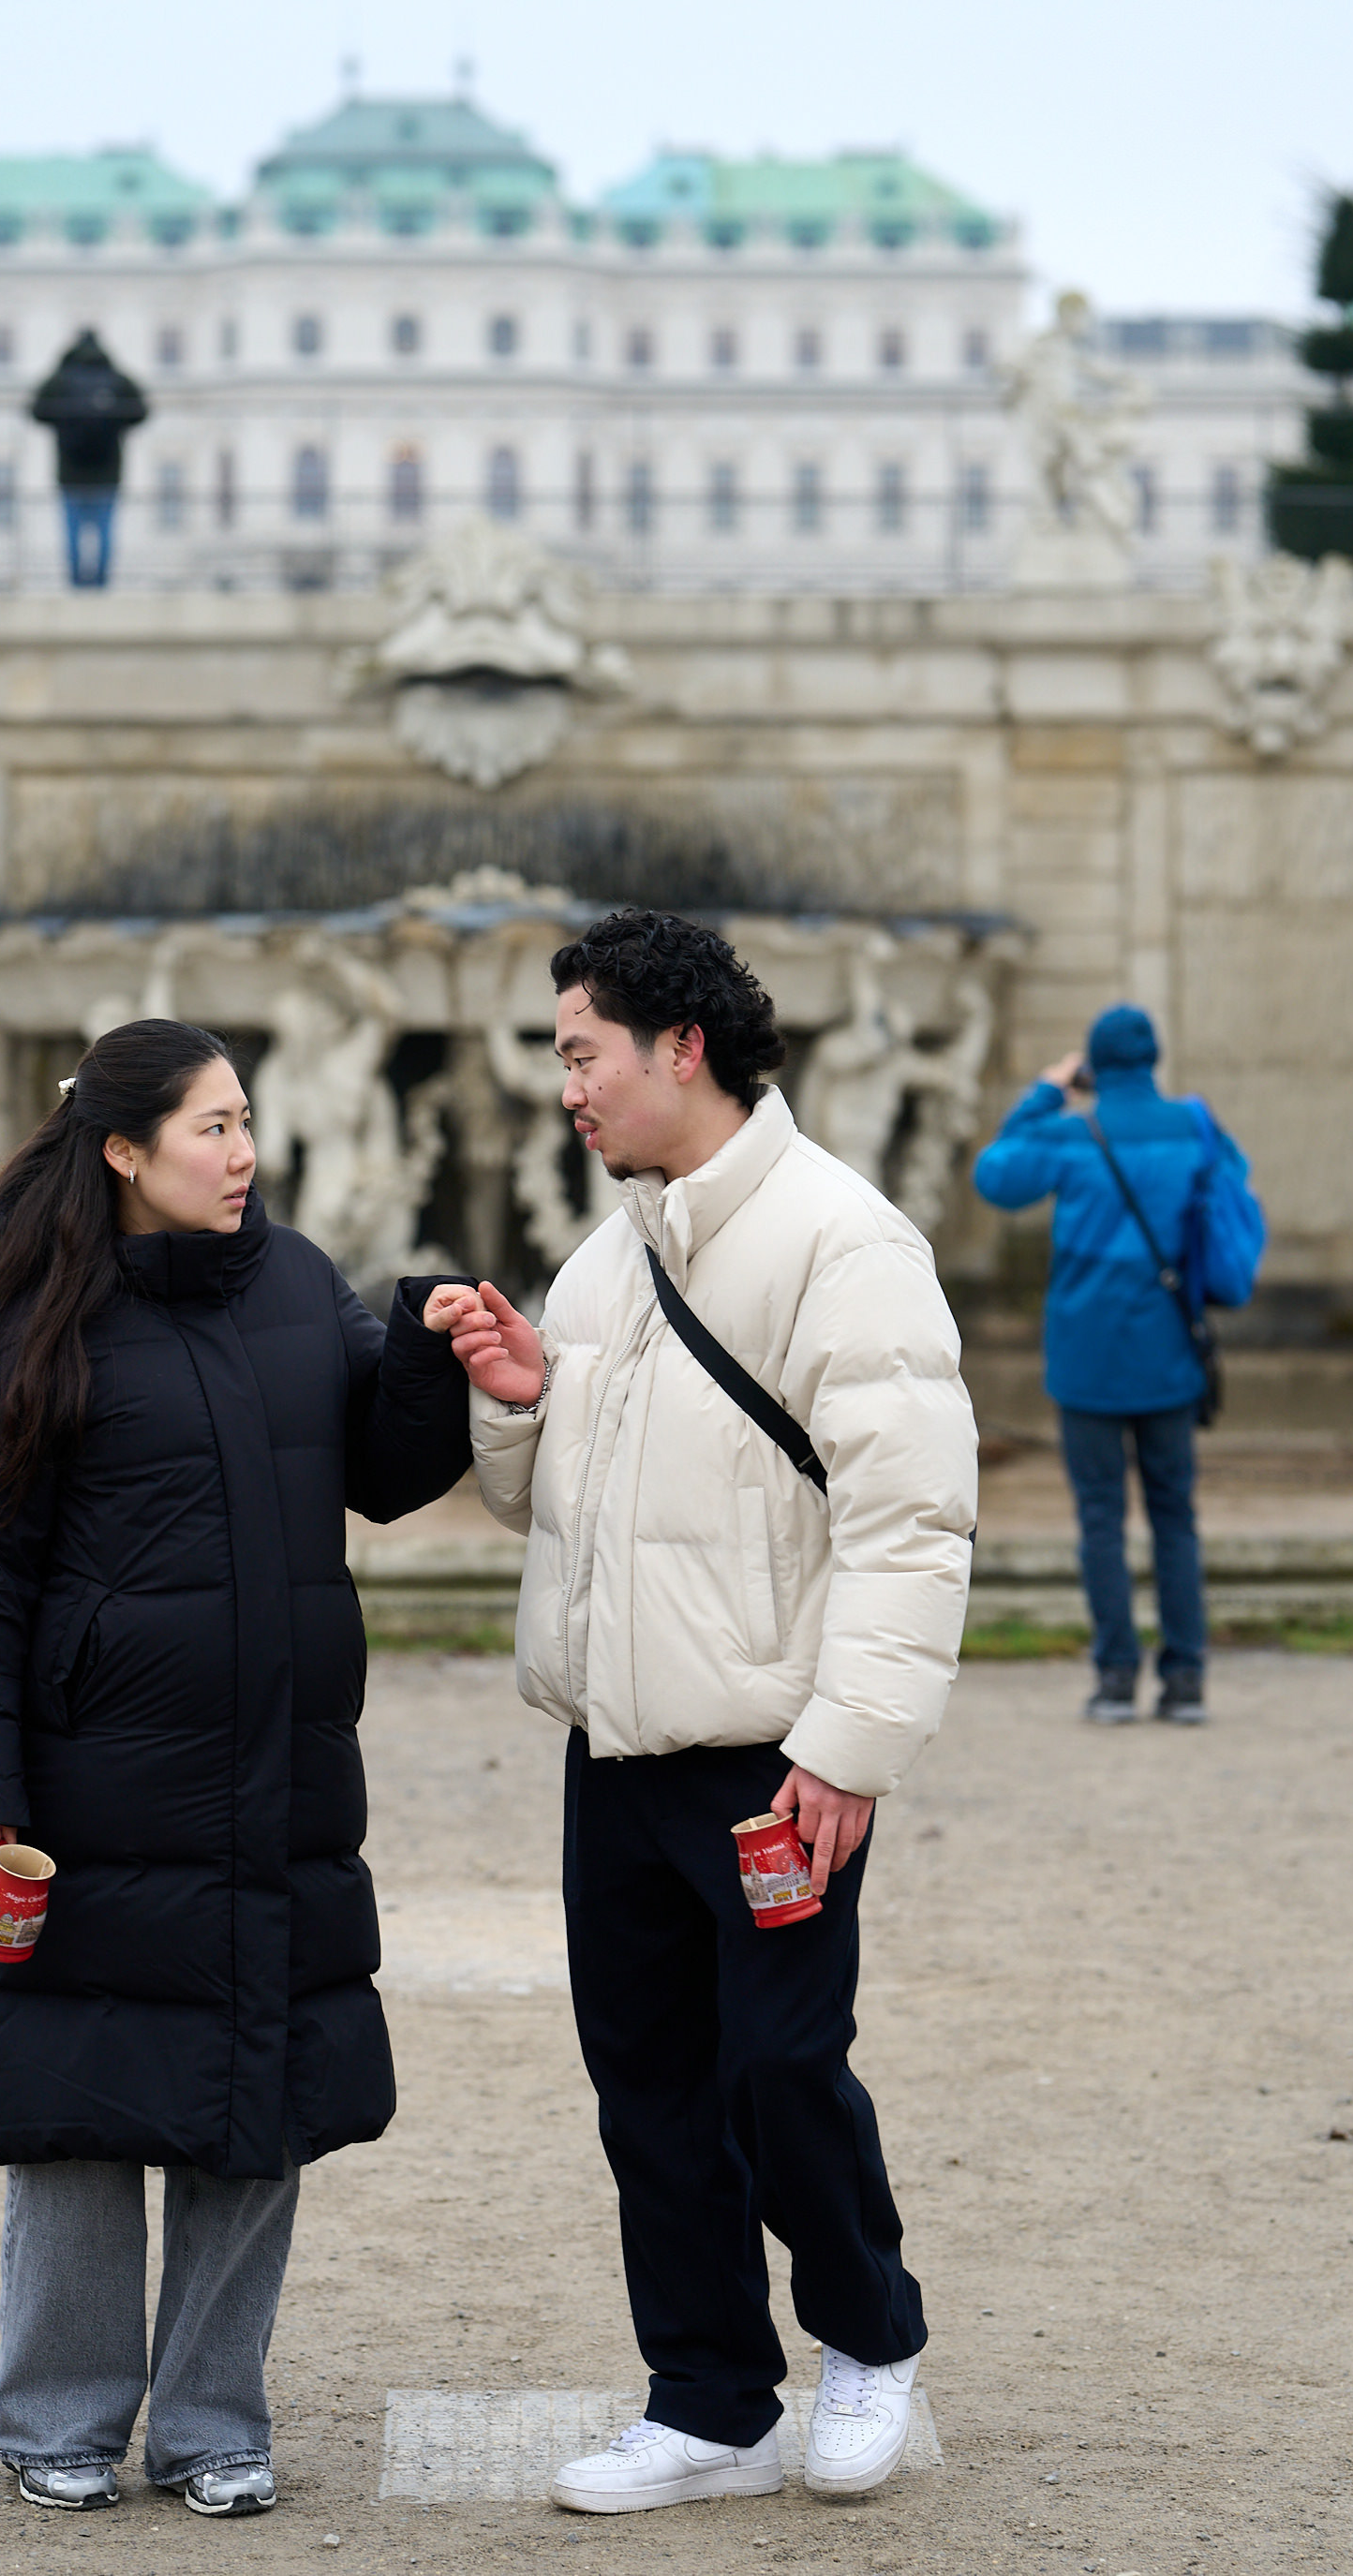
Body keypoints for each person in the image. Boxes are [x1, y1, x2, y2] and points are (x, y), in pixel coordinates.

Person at [0, 1019, 472, 2517]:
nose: (242, 1151)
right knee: (79, 2102)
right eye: (209, 1127)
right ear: (124, 1152)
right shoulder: (32, 1319)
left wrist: (426, 1343)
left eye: (246, 1119)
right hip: (90, 1790)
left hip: (278, 1774)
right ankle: (59, 2419)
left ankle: (215, 2421)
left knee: (254, 2097)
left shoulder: (291, 1278)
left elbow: (386, 1472)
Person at [424, 910, 977, 2513]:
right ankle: (709, 2400)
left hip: (770, 1757)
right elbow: (553, 1516)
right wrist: (520, 1400)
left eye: (578, 1050)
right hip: (616, 1750)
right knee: (649, 2080)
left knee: (779, 2071)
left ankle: (867, 2338)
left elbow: (910, 1521)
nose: (563, 1088)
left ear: (680, 1048)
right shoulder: (607, 1254)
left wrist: (845, 1751)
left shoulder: (840, 1239)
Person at [974, 1002, 1258, 1725]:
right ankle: (1186, 1681)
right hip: (1169, 1351)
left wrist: (1045, 1091)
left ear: (1094, 1067)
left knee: (1099, 1518)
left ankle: (1113, 1680)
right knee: (1174, 1516)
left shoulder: (1074, 1133)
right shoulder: (1194, 1127)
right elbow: (1233, 1186)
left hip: (1087, 1359)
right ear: (1153, 1060)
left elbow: (995, 1177)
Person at [28, 330, 147, 587]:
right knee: (104, 531)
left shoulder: (62, 380)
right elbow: (141, 410)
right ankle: (100, 583)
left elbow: (36, 409)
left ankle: (76, 583)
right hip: (108, 470)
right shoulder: (115, 379)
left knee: (73, 531)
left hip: (70, 472)